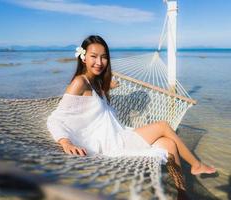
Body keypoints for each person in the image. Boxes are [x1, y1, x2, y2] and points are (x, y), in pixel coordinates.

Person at [47, 35, 216, 194]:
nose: (99, 62)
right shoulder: (80, 82)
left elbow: (94, 105)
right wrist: (65, 142)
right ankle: (196, 165)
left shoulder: (96, 84)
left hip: (117, 136)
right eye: (94, 56)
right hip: (110, 145)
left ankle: (182, 193)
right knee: (163, 126)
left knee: (169, 144)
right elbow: (56, 118)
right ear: (83, 57)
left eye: (104, 57)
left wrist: (107, 86)